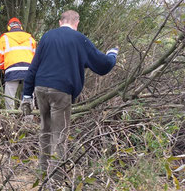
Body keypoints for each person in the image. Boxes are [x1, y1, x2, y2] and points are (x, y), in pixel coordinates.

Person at [21, 10, 118, 179]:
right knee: (59, 135)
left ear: (60, 22)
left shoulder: (47, 37)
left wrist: (26, 96)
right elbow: (103, 66)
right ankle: (55, 181)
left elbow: (33, 67)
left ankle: (43, 174)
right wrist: (112, 54)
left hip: (40, 88)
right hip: (61, 91)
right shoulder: (80, 39)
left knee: (45, 130)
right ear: (77, 23)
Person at [0, 17, 36, 109]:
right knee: (28, 96)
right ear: (20, 26)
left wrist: (4, 68)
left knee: (9, 96)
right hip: (29, 70)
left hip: (12, 70)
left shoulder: (4, 38)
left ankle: (11, 119)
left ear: (9, 27)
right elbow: (36, 57)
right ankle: (28, 120)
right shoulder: (30, 38)